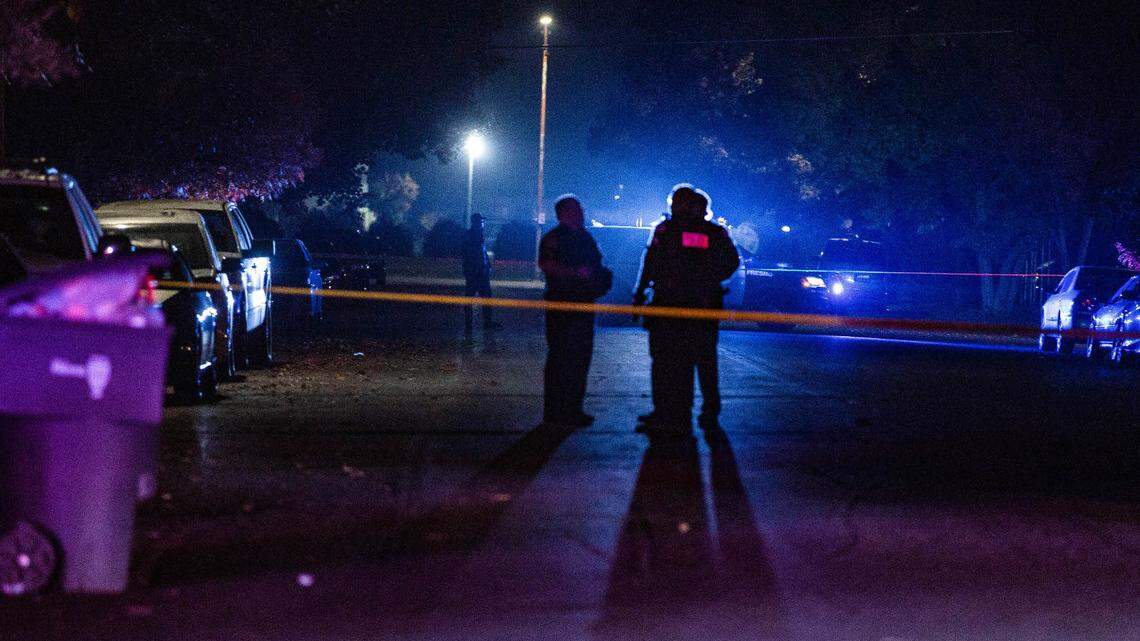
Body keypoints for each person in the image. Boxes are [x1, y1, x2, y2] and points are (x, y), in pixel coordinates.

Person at [633, 185, 740, 432]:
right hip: (678, 304)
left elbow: (729, 262)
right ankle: (675, 412)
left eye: (680, 203)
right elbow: (650, 263)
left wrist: (704, 281)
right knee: (675, 362)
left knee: (688, 362)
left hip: (690, 305)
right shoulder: (674, 230)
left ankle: (683, 413)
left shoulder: (698, 232)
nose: (676, 207)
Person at [538, 195, 610, 426]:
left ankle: (574, 409)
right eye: (576, 209)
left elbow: (597, 264)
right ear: (563, 213)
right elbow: (546, 264)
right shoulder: (554, 238)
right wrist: (574, 272)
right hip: (561, 305)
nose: (581, 212)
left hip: (584, 304)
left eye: (580, 208)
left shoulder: (586, 237)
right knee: (560, 359)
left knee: (581, 359)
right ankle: (554, 413)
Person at [462, 213, 499, 332]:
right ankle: (470, 324)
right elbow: (471, 255)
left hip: (480, 273)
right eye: (481, 222)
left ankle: (485, 322)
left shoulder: (477, 235)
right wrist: (480, 268)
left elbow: (482, 254)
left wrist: (487, 266)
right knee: (472, 298)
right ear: (476, 222)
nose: (483, 224)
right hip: (475, 273)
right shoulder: (471, 236)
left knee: (485, 298)